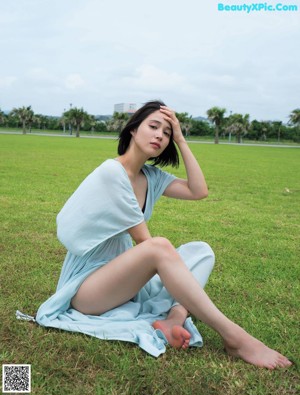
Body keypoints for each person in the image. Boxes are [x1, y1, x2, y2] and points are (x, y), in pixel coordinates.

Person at [25, 100, 291, 369]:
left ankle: (175, 318)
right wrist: (168, 268)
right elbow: (144, 241)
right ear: (132, 130)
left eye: (166, 133)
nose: (159, 136)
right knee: (158, 247)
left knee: (201, 251)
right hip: (86, 290)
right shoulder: (111, 173)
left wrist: (182, 140)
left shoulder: (150, 176)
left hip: (122, 281)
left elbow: (199, 191)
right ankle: (235, 337)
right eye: (153, 126)